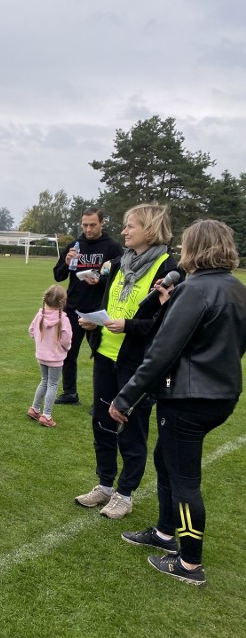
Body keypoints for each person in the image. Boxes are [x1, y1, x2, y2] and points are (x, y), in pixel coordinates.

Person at [112, 219, 246, 586]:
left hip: (189, 398)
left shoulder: (196, 289)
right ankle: (165, 531)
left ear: (195, 248)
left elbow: (161, 354)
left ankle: (189, 563)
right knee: (166, 461)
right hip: (221, 394)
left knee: (184, 477)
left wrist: (125, 398)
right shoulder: (237, 289)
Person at [75, 204, 179, 518]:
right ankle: (105, 484)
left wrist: (129, 326)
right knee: (102, 422)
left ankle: (125, 493)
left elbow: (168, 322)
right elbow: (110, 302)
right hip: (106, 353)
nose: (124, 231)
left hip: (138, 362)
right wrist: (96, 322)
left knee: (131, 428)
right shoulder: (121, 262)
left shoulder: (168, 267)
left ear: (150, 229)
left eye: (130, 226)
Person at [53, 208, 122, 404]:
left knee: (102, 358)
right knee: (68, 352)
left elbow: (120, 278)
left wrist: (99, 281)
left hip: (99, 310)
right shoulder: (74, 245)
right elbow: (58, 276)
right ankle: (70, 393)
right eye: (85, 225)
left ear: (102, 223)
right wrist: (67, 262)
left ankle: (101, 400)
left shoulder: (112, 247)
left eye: (92, 225)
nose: (88, 229)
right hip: (73, 308)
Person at [27, 285, 72, 428]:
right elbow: (66, 340)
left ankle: (35, 409)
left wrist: (40, 343)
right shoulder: (64, 319)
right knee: (52, 384)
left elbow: (31, 331)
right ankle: (46, 415)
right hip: (56, 358)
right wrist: (66, 348)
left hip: (41, 356)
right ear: (63, 302)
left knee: (44, 381)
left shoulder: (40, 314)